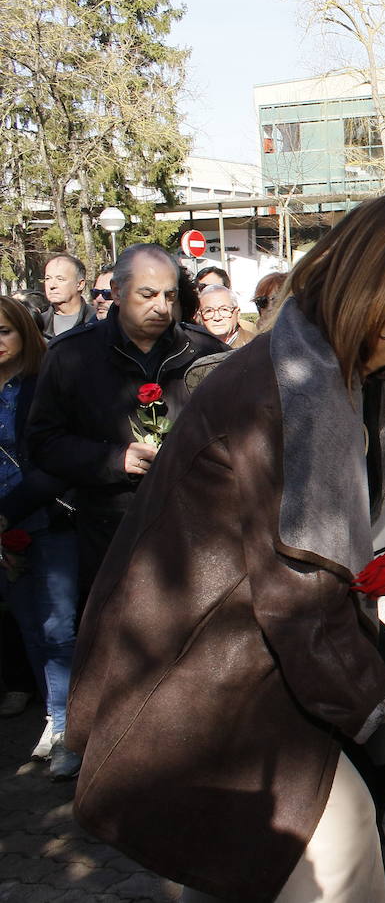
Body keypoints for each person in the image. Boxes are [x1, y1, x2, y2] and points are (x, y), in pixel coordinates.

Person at [64, 189, 385, 902]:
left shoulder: (346, 373)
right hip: (210, 707)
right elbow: (304, 612)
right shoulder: (298, 391)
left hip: (250, 700)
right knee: (338, 856)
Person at [26, 244, 229, 602]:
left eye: (169, 295)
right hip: (110, 533)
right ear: (117, 292)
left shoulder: (204, 353)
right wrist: (113, 460)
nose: (161, 307)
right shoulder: (71, 355)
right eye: (147, 294)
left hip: (195, 531)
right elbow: (44, 444)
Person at [0, 299, 82, 779]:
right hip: (5, 529)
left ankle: (68, 729)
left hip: (46, 517)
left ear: (24, 335)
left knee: (59, 627)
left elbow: (53, 459)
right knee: (30, 624)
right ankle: (54, 717)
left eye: (6, 331)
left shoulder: (39, 385)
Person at [39, 254, 97, 339]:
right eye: (48, 279)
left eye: (60, 279)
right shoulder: (37, 324)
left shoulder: (96, 320)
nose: (52, 285)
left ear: (80, 284)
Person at [194, 284, 256, 348]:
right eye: (209, 311)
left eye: (224, 310)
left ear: (237, 313)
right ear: (200, 316)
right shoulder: (194, 348)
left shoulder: (255, 346)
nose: (217, 318)